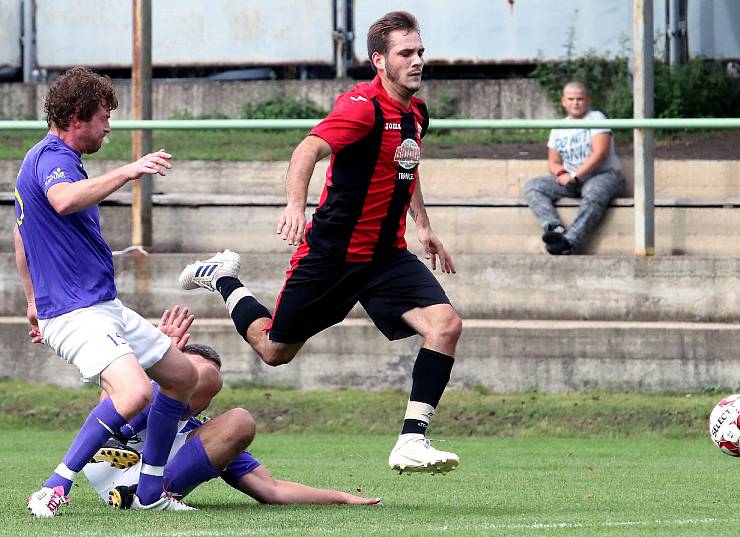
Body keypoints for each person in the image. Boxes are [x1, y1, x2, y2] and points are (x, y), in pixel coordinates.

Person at [178, 11, 462, 475]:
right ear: (379, 60)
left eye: (420, 52)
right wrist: (295, 206)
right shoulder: (361, 107)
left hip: (386, 257)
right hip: (332, 257)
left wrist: (424, 226)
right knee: (274, 351)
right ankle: (224, 279)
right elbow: (307, 149)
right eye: (405, 54)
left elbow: (405, 168)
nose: (417, 62)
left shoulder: (417, 114)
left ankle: (412, 440)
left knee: (446, 325)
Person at [16, 67, 198, 516]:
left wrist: (31, 301)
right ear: (77, 117)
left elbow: (21, 236)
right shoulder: (54, 159)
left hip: (100, 306)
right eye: (103, 117)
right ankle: (55, 486)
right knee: (134, 393)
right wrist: (130, 171)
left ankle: (151, 490)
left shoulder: (44, 160)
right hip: (78, 313)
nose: (109, 127)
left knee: (182, 376)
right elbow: (62, 200)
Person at [84, 309, 381, 508]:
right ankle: (120, 439)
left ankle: (149, 495)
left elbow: (272, 490)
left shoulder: (201, 431)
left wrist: (341, 498)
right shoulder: (144, 381)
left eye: (206, 388)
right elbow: (108, 396)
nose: (199, 385)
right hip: (104, 453)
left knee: (240, 420)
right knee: (134, 389)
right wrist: (147, 355)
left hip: (136, 491)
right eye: (190, 373)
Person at [523, 81, 626, 255]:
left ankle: (569, 242)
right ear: (563, 101)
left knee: (594, 191)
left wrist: (576, 176)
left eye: (580, 98)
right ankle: (555, 229)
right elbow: (553, 162)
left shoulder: (596, 118)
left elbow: (600, 154)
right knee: (533, 186)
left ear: (588, 100)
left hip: (604, 176)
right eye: (571, 99)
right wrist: (563, 174)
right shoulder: (559, 126)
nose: (575, 103)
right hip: (573, 181)